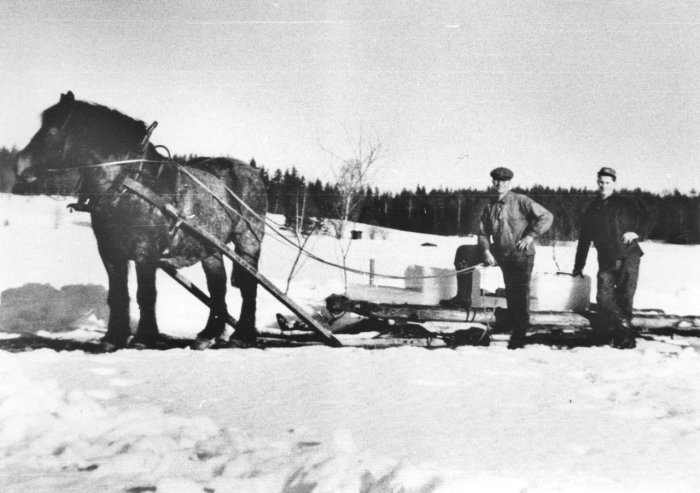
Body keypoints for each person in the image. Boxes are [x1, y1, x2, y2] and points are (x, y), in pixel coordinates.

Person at [443, 167, 553, 349]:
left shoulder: (521, 201)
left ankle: (518, 337)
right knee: (464, 252)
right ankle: (463, 297)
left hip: (520, 255)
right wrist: (485, 251)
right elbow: (483, 233)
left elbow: (547, 216)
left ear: (510, 183)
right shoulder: (489, 207)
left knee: (517, 295)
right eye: (496, 180)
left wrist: (530, 236)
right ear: (492, 181)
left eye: (503, 181)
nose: (499, 184)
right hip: (498, 252)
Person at [573, 167, 655, 349]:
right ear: (597, 182)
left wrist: (637, 232)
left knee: (625, 296)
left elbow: (649, 217)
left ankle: (624, 338)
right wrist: (579, 265)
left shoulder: (625, 202)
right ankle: (620, 331)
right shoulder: (593, 207)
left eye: (608, 182)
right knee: (604, 298)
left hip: (629, 255)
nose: (604, 186)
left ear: (614, 183)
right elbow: (584, 239)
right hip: (607, 259)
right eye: (601, 182)